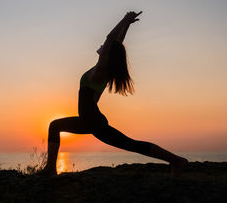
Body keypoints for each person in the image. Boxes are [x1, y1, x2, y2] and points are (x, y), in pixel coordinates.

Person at [38, 11, 188, 176]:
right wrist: (127, 25)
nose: (102, 46)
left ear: (107, 55)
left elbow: (111, 39)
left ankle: (177, 160)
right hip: (90, 120)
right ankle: (176, 161)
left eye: (106, 48)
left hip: (93, 121)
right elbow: (116, 42)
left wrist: (123, 20)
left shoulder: (100, 71)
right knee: (131, 144)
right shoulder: (105, 70)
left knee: (132, 145)